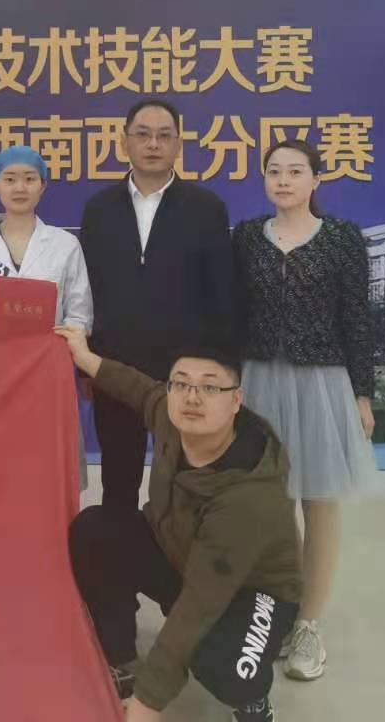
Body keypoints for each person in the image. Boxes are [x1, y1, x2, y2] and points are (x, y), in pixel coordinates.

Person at [57, 326, 301, 722]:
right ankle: (122, 662)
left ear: (236, 400)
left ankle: (253, 701)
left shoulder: (248, 496)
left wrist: (148, 704)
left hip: (253, 589)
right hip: (182, 555)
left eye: (210, 387)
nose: (192, 397)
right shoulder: (173, 417)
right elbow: (138, 388)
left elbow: (200, 603)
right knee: (95, 530)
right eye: (181, 383)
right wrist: (84, 358)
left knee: (226, 667)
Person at [231, 139, 377, 683]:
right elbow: (234, 312)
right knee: (271, 503)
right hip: (259, 381)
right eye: (274, 171)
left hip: (321, 382)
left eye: (296, 171)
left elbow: (357, 318)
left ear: (317, 180)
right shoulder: (247, 237)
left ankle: (310, 626)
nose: (284, 180)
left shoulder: (341, 238)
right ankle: (282, 612)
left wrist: (362, 393)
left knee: (319, 501)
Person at [79, 98, 237, 518]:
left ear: (178, 145)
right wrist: (87, 366)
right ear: (125, 142)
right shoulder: (98, 210)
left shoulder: (207, 209)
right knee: (118, 483)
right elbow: (86, 293)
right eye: (143, 135)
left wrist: (223, 370)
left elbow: (222, 295)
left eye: (164, 136)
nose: (153, 144)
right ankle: (119, 560)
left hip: (187, 375)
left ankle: (184, 562)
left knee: (188, 484)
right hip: (116, 370)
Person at [0, 145, 93, 348]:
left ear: (43, 186)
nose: (20, 188)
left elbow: (79, 314)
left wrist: (50, 349)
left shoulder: (66, 245)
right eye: (10, 179)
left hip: (47, 359)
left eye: (30, 179)